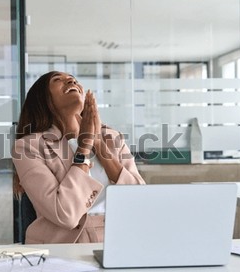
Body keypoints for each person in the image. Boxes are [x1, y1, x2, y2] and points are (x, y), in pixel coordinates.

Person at [12, 71, 145, 244]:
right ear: (43, 99)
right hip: (63, 242)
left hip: (119, 236)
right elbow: (64, 214)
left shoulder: (113, 138)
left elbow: (140, 200)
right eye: (58, 80)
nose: (70, 81)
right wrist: (84, 147)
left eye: (74, 80)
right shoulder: (28, 147)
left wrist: (98, 143)